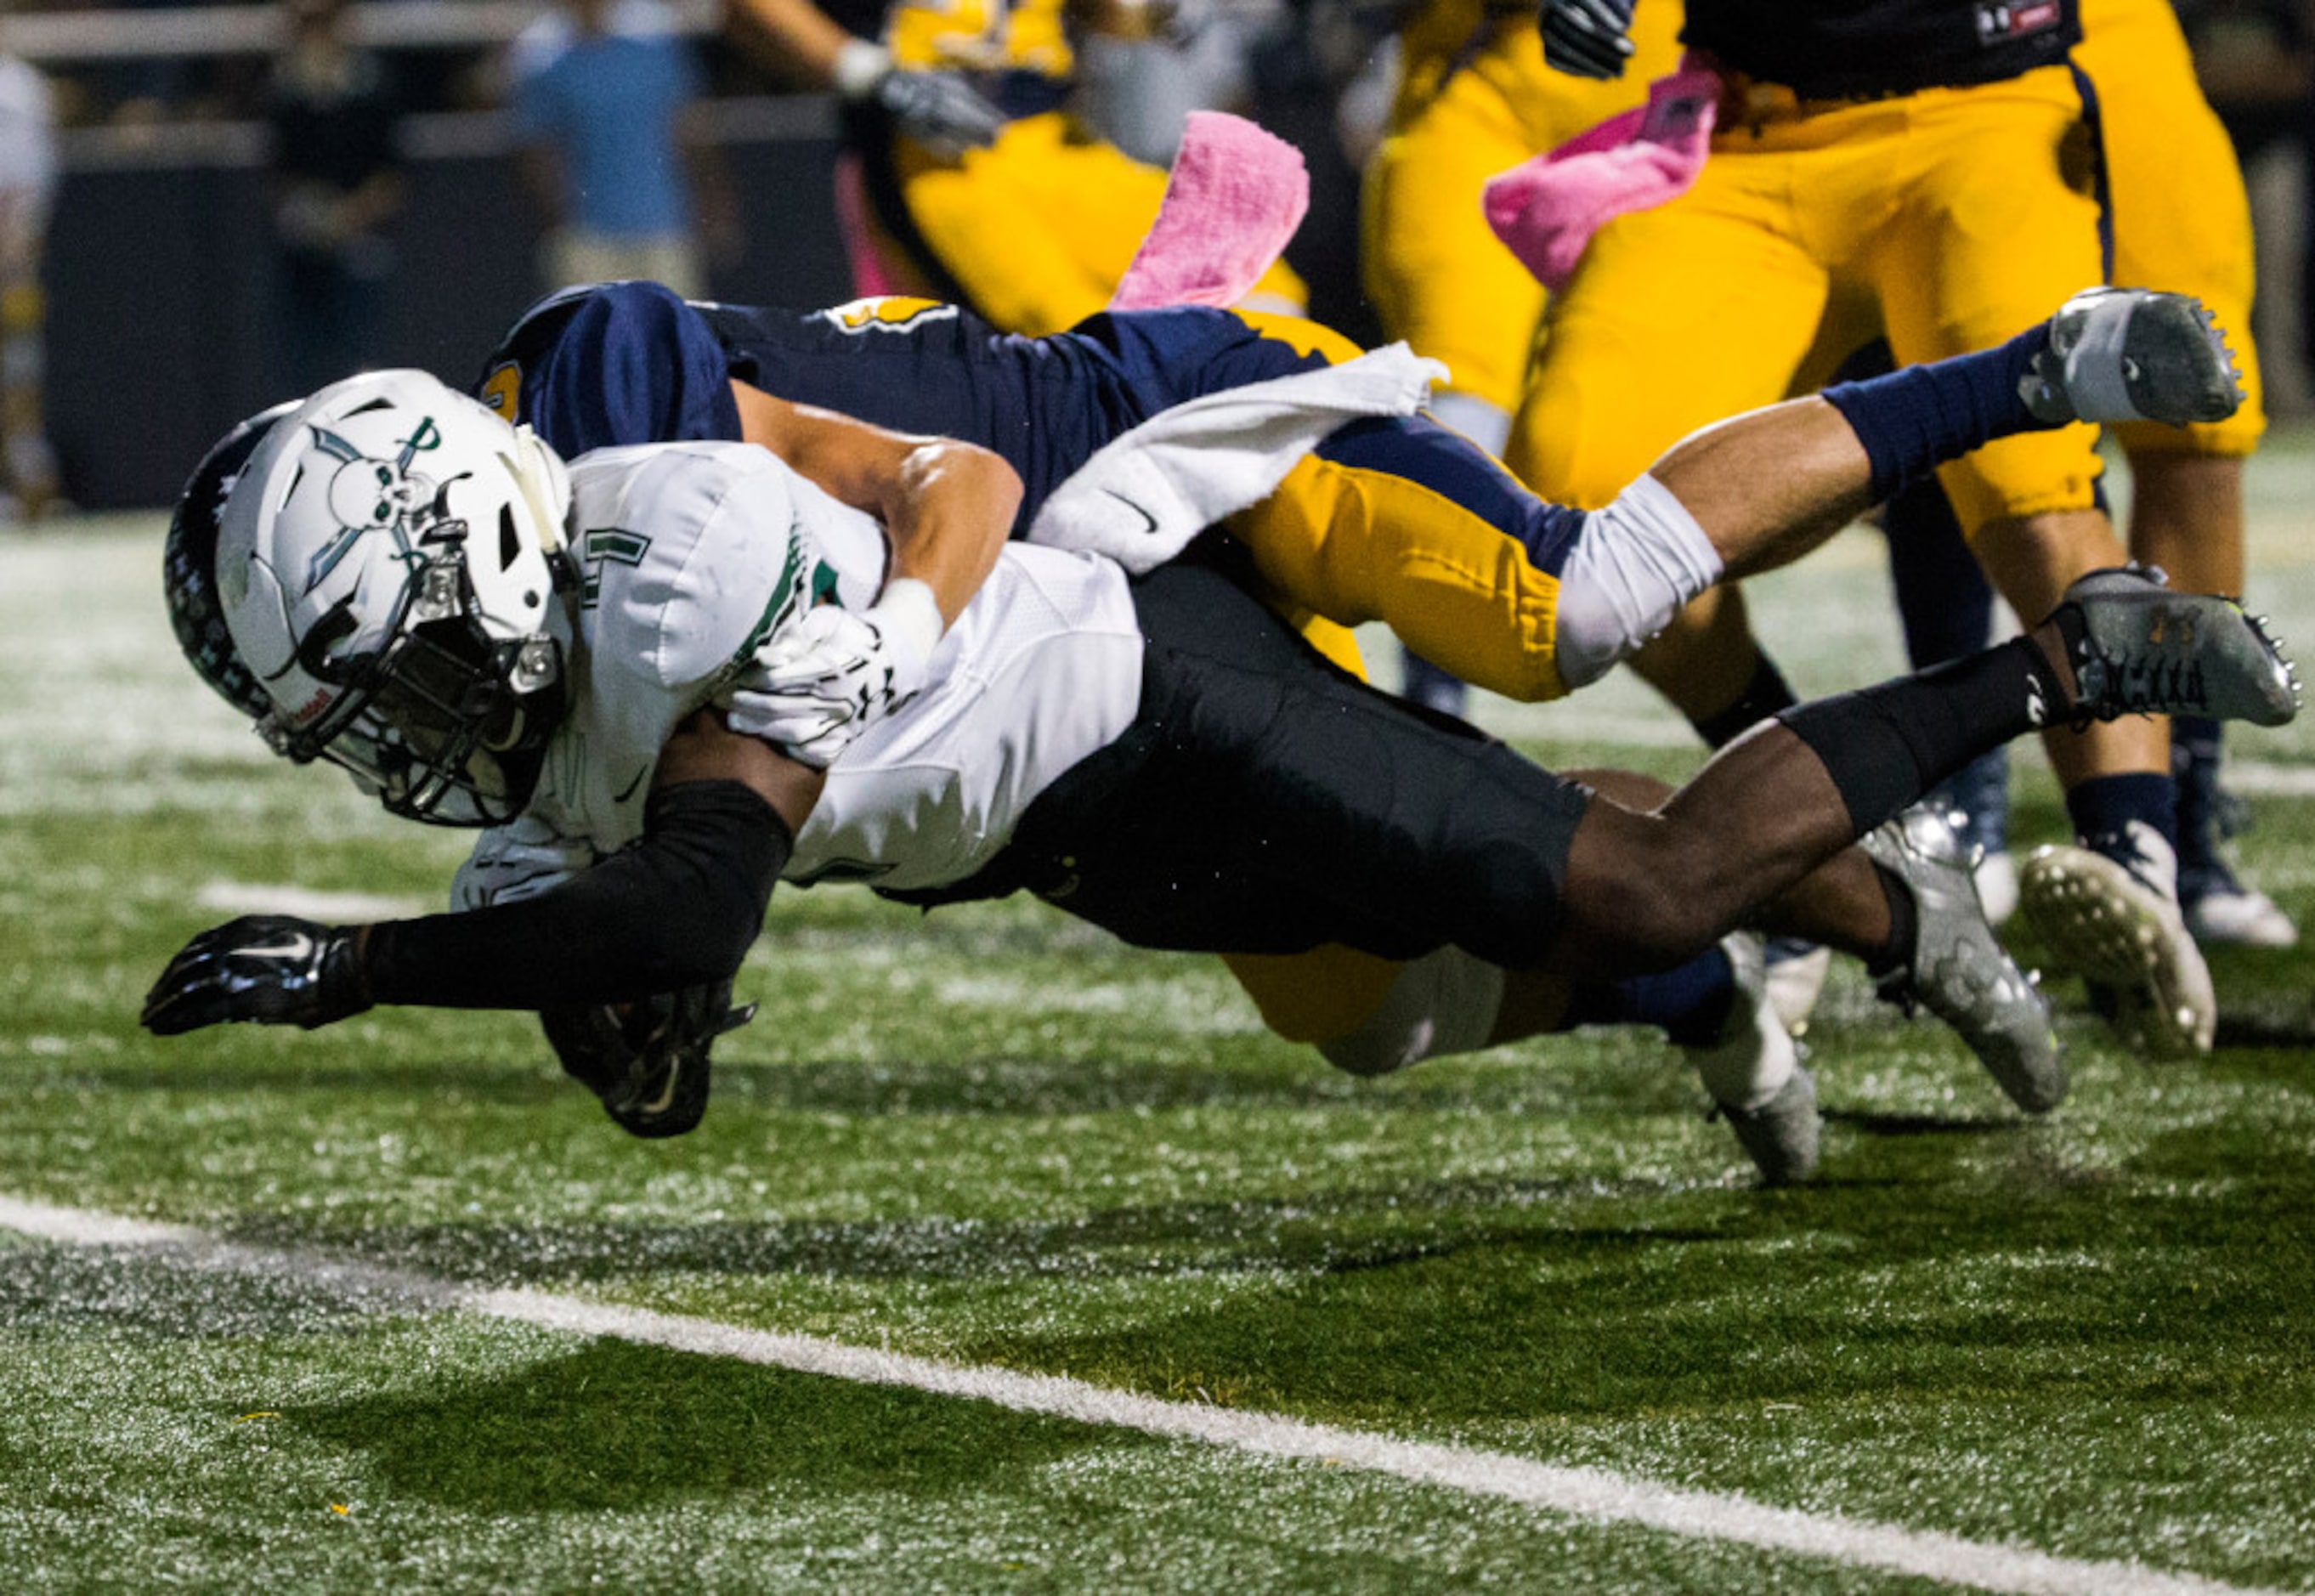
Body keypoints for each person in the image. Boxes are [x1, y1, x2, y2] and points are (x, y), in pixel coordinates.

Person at [143, 308, 2293, 1180]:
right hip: (1046, 713)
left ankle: (2030, 373)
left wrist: (887, 634)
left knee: (1574, 609)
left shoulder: (636, 469)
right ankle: (1812, 938)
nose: (415, 728)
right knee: (1389, 997)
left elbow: (936, 497)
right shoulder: (544, 645)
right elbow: (662, 931)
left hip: (1140, 466)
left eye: (403, 670)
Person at [1511, 0, 2239, 1057]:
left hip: (1985, 108)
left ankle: (2137, 868)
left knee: (2032, 484)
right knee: (1577, 505)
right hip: (1747, 139)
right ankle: (1836, 823)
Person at [1359, 0, 1682, 713]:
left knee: (1613, 451)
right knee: (1460, 394)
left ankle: (1803, 747)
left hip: (1675, 112)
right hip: (1482, 102)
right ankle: (1434, 701)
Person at [721, 0, 1303, 332]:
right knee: (1073, 327)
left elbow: (1098, 11)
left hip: (1056, 135)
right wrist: (868, 73)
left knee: (1257, 284)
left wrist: (1154, 13)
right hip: (935, 149)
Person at [508, 0, 734, 299]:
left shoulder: (657, 49)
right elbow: (537, 153)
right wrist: (561, 228)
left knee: (671, 339)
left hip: (664, 231)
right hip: (587, 239)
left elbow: (690, 132)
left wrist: (715, 205)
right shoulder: (540, 63)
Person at [266, 0, 410, 397]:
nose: (316, 34)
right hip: (303, 251)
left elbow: (393, 174)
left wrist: (352, 216)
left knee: (363, 367)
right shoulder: (285, 92)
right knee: (302, 371)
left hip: (364, 246)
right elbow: (280, 175)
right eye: (306, 23)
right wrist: (314, 217)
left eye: (324, 21)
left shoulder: (375, 85)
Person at [0, 49, 61, 521]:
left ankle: (27, 485)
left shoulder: (18, 90)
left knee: (19, 376)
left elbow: (29, 188)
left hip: (12, 265)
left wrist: (15, 246)